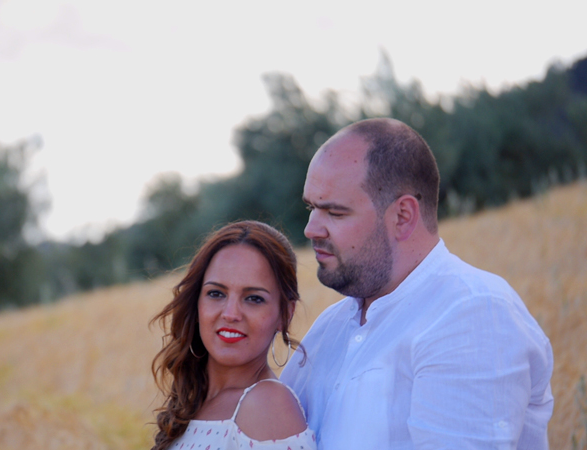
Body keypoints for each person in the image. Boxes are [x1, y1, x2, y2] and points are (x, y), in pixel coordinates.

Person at [280, 117, 554, 449]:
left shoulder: (472, 314)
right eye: (311, 207)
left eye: (334, 213)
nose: (311, 229)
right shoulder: (330, 327)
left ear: (403, 216)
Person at [150, 220, 317, 450]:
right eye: (216, 293)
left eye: (254, 298)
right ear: (196, 302)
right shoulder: (193, 401)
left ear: (285, 314)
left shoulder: (268, 405)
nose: (230, 314)